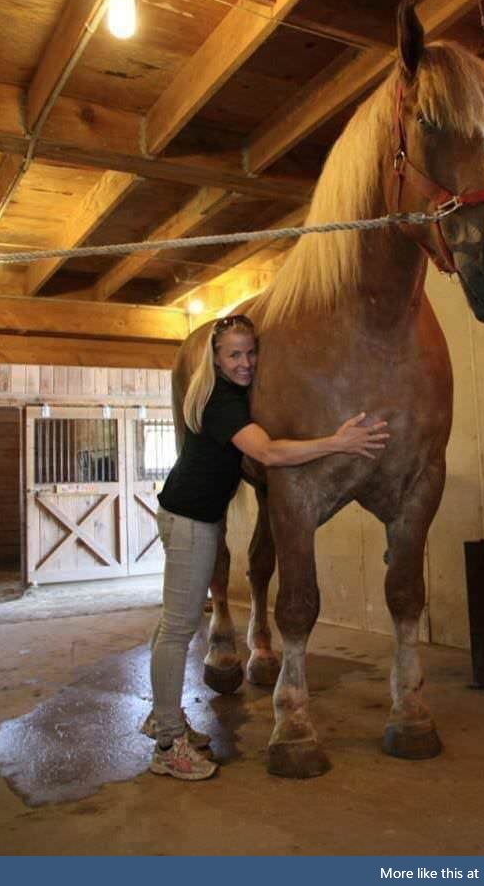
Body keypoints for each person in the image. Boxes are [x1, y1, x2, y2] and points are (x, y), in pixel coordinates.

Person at [143, 314, 389, 780]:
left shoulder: (233, 396)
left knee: (170, 626)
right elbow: (271, 453)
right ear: (215, 358)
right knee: (177, 631)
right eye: (234, 354)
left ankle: (163, 719)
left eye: (251, 352)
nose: (246, 362)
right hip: (190, 523)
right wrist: (338, 443)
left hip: (194, 518)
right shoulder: (220, 403)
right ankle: (168, 745)